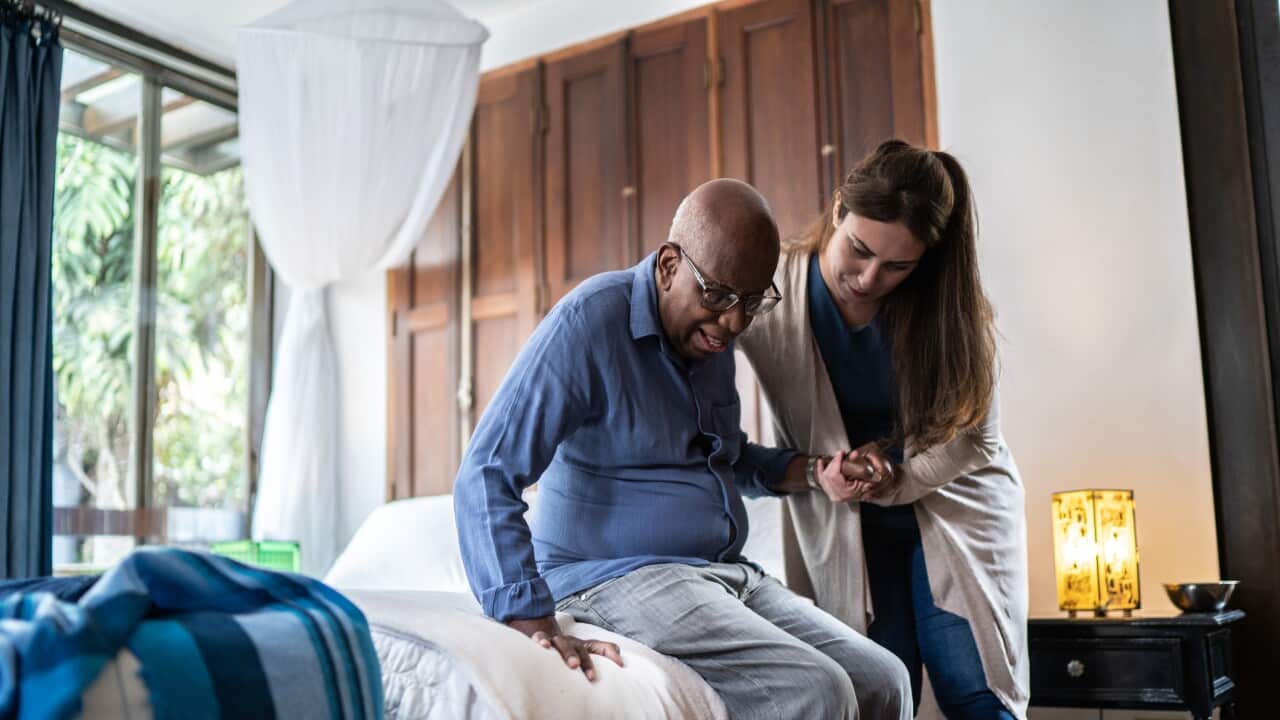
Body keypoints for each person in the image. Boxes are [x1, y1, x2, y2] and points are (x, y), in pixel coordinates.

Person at [454, 179, 911, 720]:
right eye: (718, 296)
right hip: (612, 576)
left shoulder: (709, 338)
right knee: (816, 689)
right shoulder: (589, 323)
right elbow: (486, 471)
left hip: (723, 572)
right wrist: (529, 619)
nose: (734, 322)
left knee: (885, 678)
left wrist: (816, 472)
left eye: (752, 302)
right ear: (669, 265)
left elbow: (728, 460)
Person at [738, 140, 1029, 719]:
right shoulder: (771, 289)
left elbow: (977, 437)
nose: (870, 278)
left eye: (898, 266)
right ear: (839, 207)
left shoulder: (948, 305)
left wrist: (894, 480)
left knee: (972, 687)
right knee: (879, 688)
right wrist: (817, 474)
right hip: (846, 518)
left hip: (952, 502)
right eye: (860, 250)